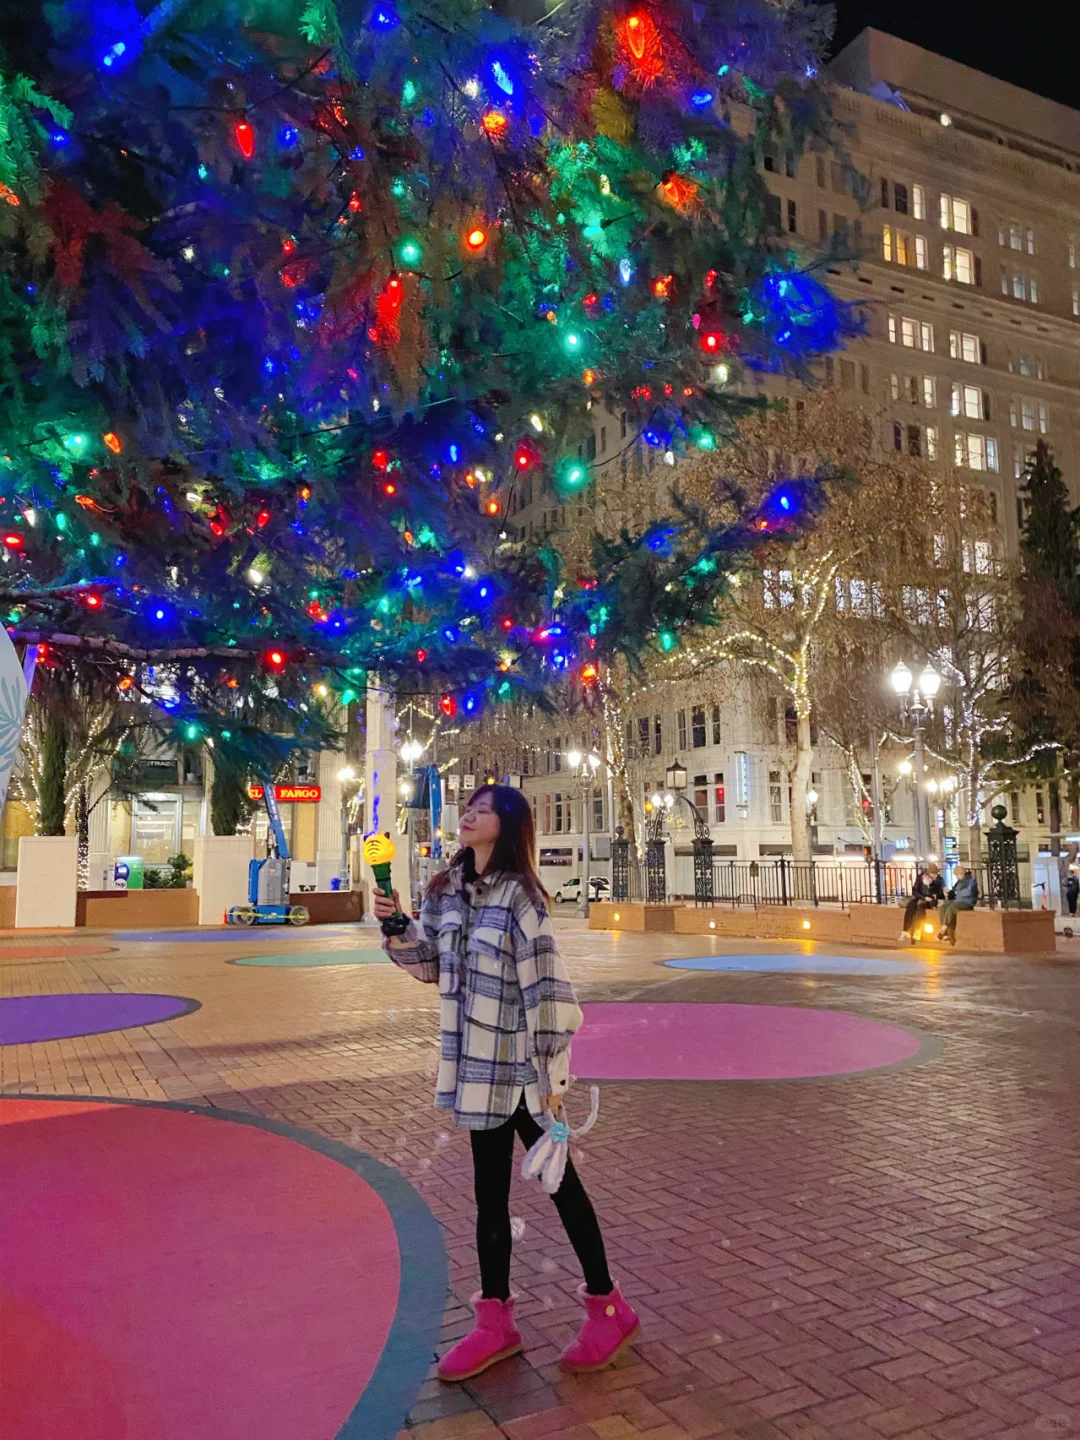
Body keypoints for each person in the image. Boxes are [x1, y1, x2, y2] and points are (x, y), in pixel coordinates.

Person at [374, 783, 639, 1383]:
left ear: (508, 824)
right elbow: (431, 966)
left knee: (560, 1184)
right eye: (467, 807)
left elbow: (546, 985)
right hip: (475, 1067)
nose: (469, 816)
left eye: (483, 809)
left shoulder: (522, 897)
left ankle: (608, 1306)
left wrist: (550, 1074)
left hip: (521, 1069)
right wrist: (397, 929)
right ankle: (496, 1323)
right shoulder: (444, 891)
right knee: (487, 1198)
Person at [900, 862, 945, 942]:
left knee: (921, 907)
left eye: (936, 874)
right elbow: (915, 891)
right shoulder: (921, 878)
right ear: (928, 873)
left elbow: (941, 894)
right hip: (921, 897)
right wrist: (923, 897)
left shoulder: (939, 880)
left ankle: (918, 929)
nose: (934, 876)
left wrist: (934, 896)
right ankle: (905, 930)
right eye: (933, 874)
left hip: (931, 901)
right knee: (911, 906)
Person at [937, 868, 979, 945]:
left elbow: (968, 892)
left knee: (951, 908)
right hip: (958, 900)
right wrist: (949, 892)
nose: (957, 877)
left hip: (967, 902)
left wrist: (958, 893)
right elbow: (954, 890)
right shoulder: (959, 882)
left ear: (961, 874)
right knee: (943, 907)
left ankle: (944, 929)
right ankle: (946, 933)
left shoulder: (971, 880)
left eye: (957, 875)